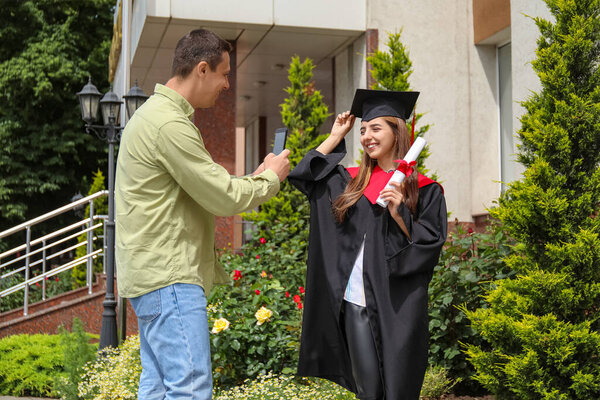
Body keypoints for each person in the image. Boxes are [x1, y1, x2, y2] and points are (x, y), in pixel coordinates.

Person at [115, 29, 290, 400]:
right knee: (191, 390)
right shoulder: (168, 125)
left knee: (158, 388)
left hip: (151, 278)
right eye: (225, 74)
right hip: (170, 278)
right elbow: (221, 195)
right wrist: (270, 180)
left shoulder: (153, 117)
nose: (227, 84)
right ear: (202, 69)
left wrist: (253, 179)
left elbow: (205, 186)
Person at [288, 89, 447, 400]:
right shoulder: (351, 182)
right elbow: (305, 176)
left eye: (376, 128)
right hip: (356, 302)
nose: (366, 136)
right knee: (369, 391)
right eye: (362, 130)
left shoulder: (424, 190)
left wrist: (399, 211)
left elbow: (430, 245)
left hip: (398, 308)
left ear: (396, 130)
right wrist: (336, 136)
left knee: (400, 389)